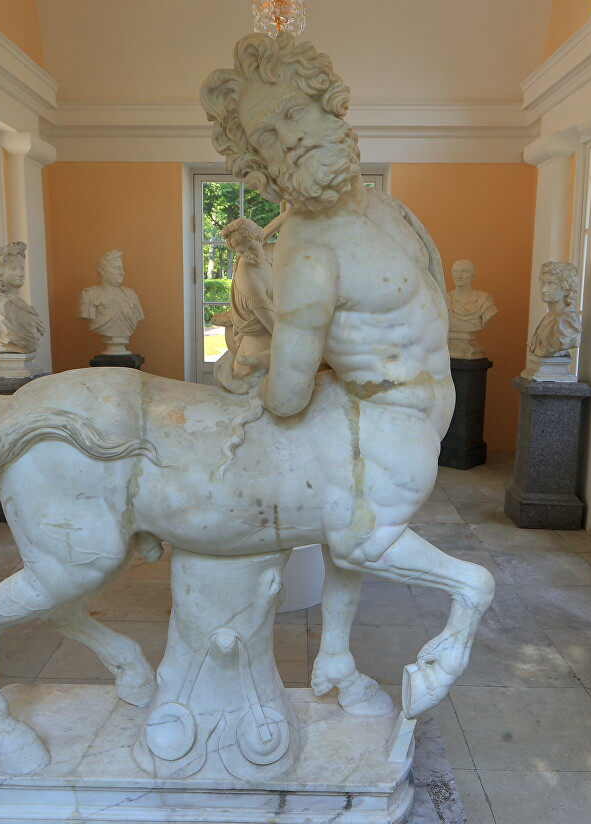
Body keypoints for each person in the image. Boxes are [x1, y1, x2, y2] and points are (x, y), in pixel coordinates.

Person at [201, 33, 494, 718]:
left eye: (294, 112)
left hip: (416, 422)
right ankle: (456, 612)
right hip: (386, 424)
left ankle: (334, 658)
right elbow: (287, 397)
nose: (290, 138)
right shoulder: (305, 254)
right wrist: (260, 369)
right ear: (262, 164)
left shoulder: (393, 211)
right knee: (367, 538)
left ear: (330, 105)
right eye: (268, 136)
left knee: (353, 538)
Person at [0, 241, 44, 353]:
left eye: (22, 268)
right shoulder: (3, 306)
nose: (21, 273)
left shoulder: (17, 302)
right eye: (14, 269)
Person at [78, 250, 144, 355]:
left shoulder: (131, 295)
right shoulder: (89, 295)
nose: (122, 272)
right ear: (102, 270)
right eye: (116, 268)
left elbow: (137, 317)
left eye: (121, 268)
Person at [529, 261, 581, 357]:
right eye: (542, 283)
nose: (544, 289)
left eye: (551, 284)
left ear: (566, 288)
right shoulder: (547, 318)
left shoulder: (568, 321)